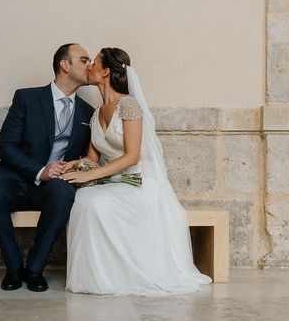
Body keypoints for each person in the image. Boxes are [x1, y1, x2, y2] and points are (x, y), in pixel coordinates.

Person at [61, 47, 212, 295]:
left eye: (94, 63)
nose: (89, 67)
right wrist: (72, 165)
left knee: (94, 203)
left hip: (138, 182)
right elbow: (91, 157)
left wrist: (89, 175)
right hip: (112, 181)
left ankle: (117, 277)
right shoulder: (96, 112)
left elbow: (132, 156)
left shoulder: (129, 106)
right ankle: (97, 277)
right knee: (83, 199)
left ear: (106, 71)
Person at [0, 43, 95, 292]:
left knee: (64, 195)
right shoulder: (27, 98)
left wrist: (72, 168)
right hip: (18, 178)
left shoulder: (88, 112)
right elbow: (6, 147)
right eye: (84, 60)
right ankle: (13, 268)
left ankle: (35, 268)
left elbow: (88, 156)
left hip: (55, 185)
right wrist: (40, 170)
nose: (90, 65)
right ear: (65, 65)